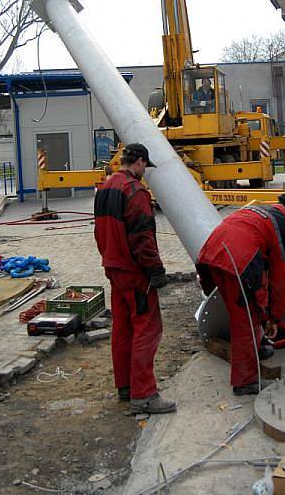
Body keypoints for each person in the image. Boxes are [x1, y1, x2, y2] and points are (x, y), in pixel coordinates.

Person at [94, 143, 176, 414]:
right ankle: (144, 395)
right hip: (135, 273)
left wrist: (110, 257)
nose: (145, 172)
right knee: (147, 328)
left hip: (114, 268)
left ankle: (126, 387)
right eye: (145, 166)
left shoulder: (105, 188)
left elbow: (99, 232)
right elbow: (143, 238)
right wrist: (155, 270)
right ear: (139, 162)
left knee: (123, 329)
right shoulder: (135, 191)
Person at [196, 193, 285, 395]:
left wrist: (207, 285)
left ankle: (255, 349)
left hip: (210, 254)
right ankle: (245, 382)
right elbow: (281, 278)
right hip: (237, 261)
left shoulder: (259, 211)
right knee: (246, 321)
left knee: (243, 315)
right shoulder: (283, 227)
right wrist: (274, 317)